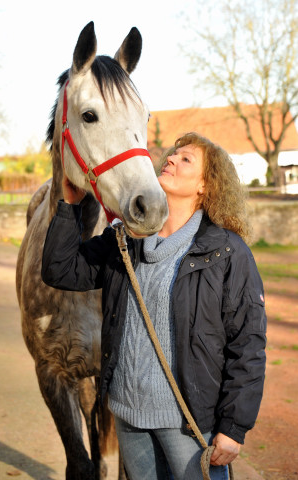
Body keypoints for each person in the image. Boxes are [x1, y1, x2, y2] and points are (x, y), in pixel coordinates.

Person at [42, 131, 267, 480]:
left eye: (186, 159)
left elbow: (248, 345)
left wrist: (234, 428)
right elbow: (61, 270)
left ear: (206, 185)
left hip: (189, 423)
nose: (171, 159)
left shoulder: (227, 251)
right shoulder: (124, 239)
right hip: (129, 416)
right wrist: (69, 206)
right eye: (173, 155)